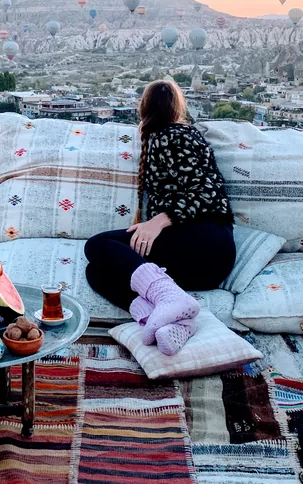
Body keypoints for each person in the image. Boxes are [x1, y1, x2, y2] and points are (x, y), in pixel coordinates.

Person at [85, 79, 235, 354]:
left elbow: (211, 193)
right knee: (98, 272)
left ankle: (169, 298)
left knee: (97, 246)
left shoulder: (177, 136)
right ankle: (174, 324)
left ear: (144, 109)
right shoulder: (164, 138)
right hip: (196, 262)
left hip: (208, 242)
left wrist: (161, 220)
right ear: (178, 107)